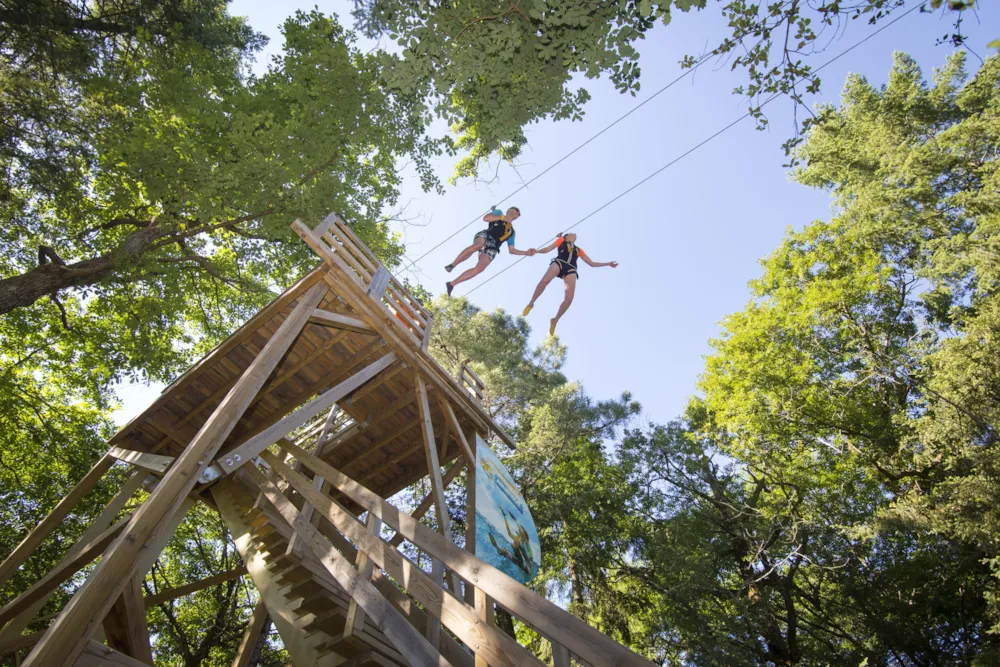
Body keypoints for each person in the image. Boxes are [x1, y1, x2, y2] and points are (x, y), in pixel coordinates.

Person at [521, 233, 618, 335]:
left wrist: (608, 264)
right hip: (559, 262)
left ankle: (555, 320)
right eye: (572, 233)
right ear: (566, 237)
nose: (575, 234)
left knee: (569, 299)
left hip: (571, 269)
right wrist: (536, 251)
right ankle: (531, 303)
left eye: (575, 234)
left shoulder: (579, 250)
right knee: (545, 281)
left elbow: (592, 263)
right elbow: (547, 249)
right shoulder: (561, 241)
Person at [444, 206, 535, 296]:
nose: (515, 211)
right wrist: (502, 217)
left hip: (493, 247)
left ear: (518, 215)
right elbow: (486, 218)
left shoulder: (512, 232)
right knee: (478, 245)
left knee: (480, 268)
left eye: (517, 211)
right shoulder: (499, 213)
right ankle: (452, 265)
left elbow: (512, 250)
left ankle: (452, 284)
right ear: (508, 210)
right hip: (486, 235)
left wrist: (526, 253)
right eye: (514, 209)